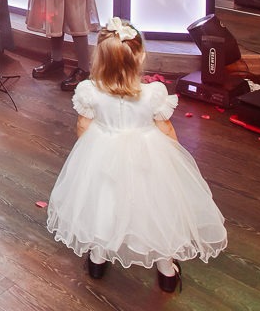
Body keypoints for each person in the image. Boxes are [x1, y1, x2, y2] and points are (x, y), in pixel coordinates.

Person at [46, 18, 227, 293]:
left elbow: (83, 125)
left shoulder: (89, 91)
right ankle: (167, 271)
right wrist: (174, 160)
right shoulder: (153, 94)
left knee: (104, 204)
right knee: (155, 209)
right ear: (140, 57)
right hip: (148, 157)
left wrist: (90, 152)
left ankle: (97, 260)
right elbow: (166, 128)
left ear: (99, 59)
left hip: (103, 154)